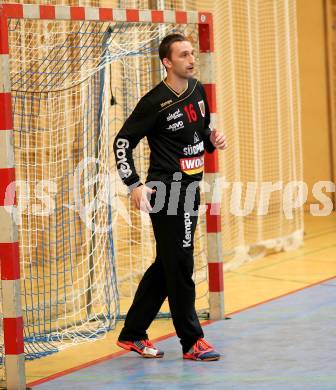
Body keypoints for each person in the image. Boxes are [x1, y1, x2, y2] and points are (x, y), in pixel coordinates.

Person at [113, 33, 227, 361]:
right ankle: (192, 341)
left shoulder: (198, 89)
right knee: (181, 264)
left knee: (168, 264)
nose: (191, 59)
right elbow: (123, 142)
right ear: (167, 62)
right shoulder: (154, 102)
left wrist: (212, 137)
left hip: (191, 187)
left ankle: (133, 333)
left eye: (192, 53)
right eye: (183, 55)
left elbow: (201, 130)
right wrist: (134, 184)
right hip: (166, 191)